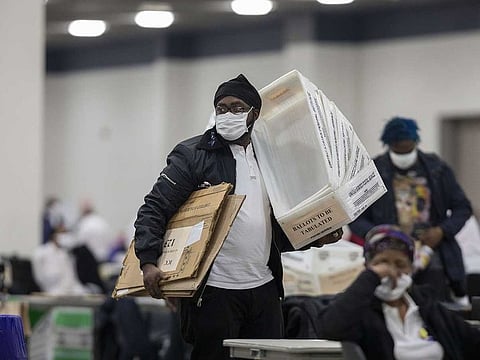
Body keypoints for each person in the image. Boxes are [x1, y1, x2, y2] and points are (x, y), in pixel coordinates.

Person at [134, 74, 342, 360]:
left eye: (237, 108)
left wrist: (315, 237)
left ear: (254, 114)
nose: (228, 114)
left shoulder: (270, 159)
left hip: (264, 288)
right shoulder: (193, 155)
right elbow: (155, 208)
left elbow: (274, 231)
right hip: (214, 291)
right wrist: (148, 260)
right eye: (221, 108)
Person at [349, 117, 472, 305]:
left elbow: (462, 207)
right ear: (389, 145)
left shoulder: (437, 169)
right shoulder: (372, 172)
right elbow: (355, 215)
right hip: (388, 252)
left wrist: (441, 231)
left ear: (416, 143)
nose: (404, 154)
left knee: (432, 306)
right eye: (398, 149)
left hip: (433, 255)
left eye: (408, 149)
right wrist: (382, 235)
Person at [318, 224, 480, 360]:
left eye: (400, 264)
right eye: (382, 263)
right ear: (368, 267)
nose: (392, 271)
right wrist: (372, 277)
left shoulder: (427, 306)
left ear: (410, 269)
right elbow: (331, 327)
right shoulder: (360, 311)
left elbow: (472, 340)